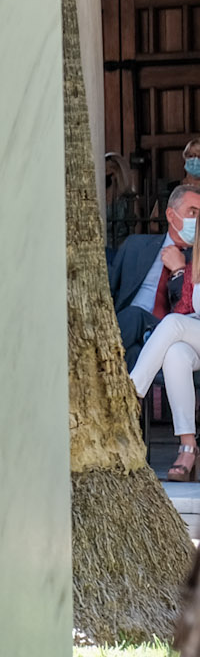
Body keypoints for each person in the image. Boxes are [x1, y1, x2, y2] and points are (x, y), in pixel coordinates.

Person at [130, 183, 200, 481]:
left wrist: (183, 272)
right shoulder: (196, 254)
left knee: (171, 325)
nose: (196, 219)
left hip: (190, 328)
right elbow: (189, 305)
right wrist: (187, 271)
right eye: (193, 212)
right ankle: (188, 446)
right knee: (175, 354)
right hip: (194, 334)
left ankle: (129, 396)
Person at [109, 186, 200, 363]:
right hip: (128, 330)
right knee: (133, 353)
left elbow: (189, 311)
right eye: (192, 212)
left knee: (135, 315)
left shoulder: (197, 260)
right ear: (171, 215)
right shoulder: (135, 246)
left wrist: (179, 271)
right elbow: (109, 290)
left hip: (169, 331)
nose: (197, 220)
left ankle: (91, 360)